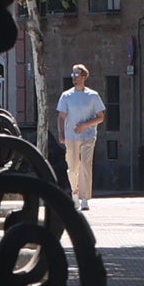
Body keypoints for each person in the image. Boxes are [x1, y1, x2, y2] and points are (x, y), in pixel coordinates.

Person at [55, 65, 107, 210]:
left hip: (88, 136)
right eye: (73, 74)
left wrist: (85, 125)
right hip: (71, 137)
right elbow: (61, 116)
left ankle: (85, 198)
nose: (74, 77)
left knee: (85, 165)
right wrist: (61, 133)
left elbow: (101, 117)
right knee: (72, 168)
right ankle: (75, 193)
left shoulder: (93, 96)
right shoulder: (66, 96)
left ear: (84, 76)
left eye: (76, 74)